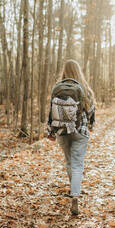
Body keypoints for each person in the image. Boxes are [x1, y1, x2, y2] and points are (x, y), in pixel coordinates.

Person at [47, 59, 96, 216]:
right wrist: (90, 125)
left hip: (62, 131)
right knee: (77, 164)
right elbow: (91, 109)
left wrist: (50, 131)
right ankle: (75, 194)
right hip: (79, 132)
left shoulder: (57, 88)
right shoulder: (85, 88)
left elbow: (50, 111)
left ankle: (73, 188)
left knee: (69, 162)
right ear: (78, 71)